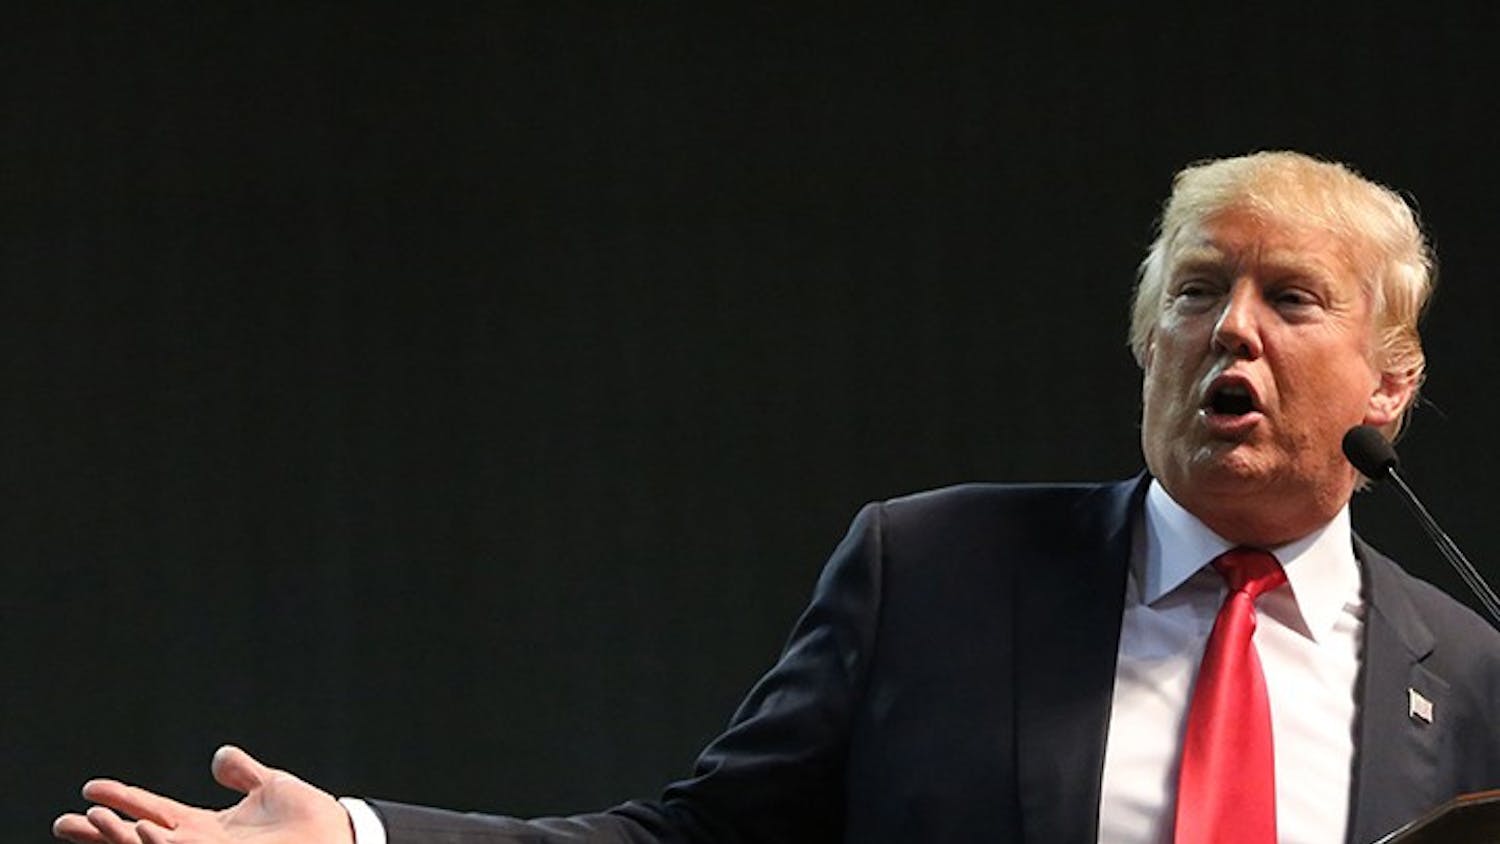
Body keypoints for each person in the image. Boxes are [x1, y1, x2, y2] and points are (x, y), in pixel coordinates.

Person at [53, 151, 1500, 844]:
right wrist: (360, 840)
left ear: (1389, 382)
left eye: (1290, 299)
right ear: (1147, 342)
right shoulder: (935, 570)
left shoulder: (1477, 675)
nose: (1231, 331)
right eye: (1197, 294)